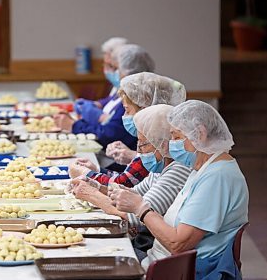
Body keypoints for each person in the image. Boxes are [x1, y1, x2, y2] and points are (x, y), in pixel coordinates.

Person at [110, 100, 249, 280]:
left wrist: (141, 209)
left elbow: (178, 243)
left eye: (176, 137)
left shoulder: (218, 177)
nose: (170, 146)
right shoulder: (202, 168)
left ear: (200, 134)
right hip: (165, 267)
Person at [71, 105, 191, 258]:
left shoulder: (179, 170)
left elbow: (135, 216)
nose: (138, 151)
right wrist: (97, 186)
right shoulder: (160, 167)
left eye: (143, 143)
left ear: (162, 143)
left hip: (152, 249)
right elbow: (131, 194)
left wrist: (92, 195)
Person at [69, 72, 186, 188]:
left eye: (127, 110)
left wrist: (87, 174)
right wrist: (96, 170)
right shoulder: (149, 138)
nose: (124, 115)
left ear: (144, 109)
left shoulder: (154, 143)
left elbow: (123, 184)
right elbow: (127, 180)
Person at [54, 44, 155, 153]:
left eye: (115, 68)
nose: (113, 72)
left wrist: (75, 126)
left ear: (129, 71)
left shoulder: (135, 97)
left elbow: (110, 135)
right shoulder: (127, 91)